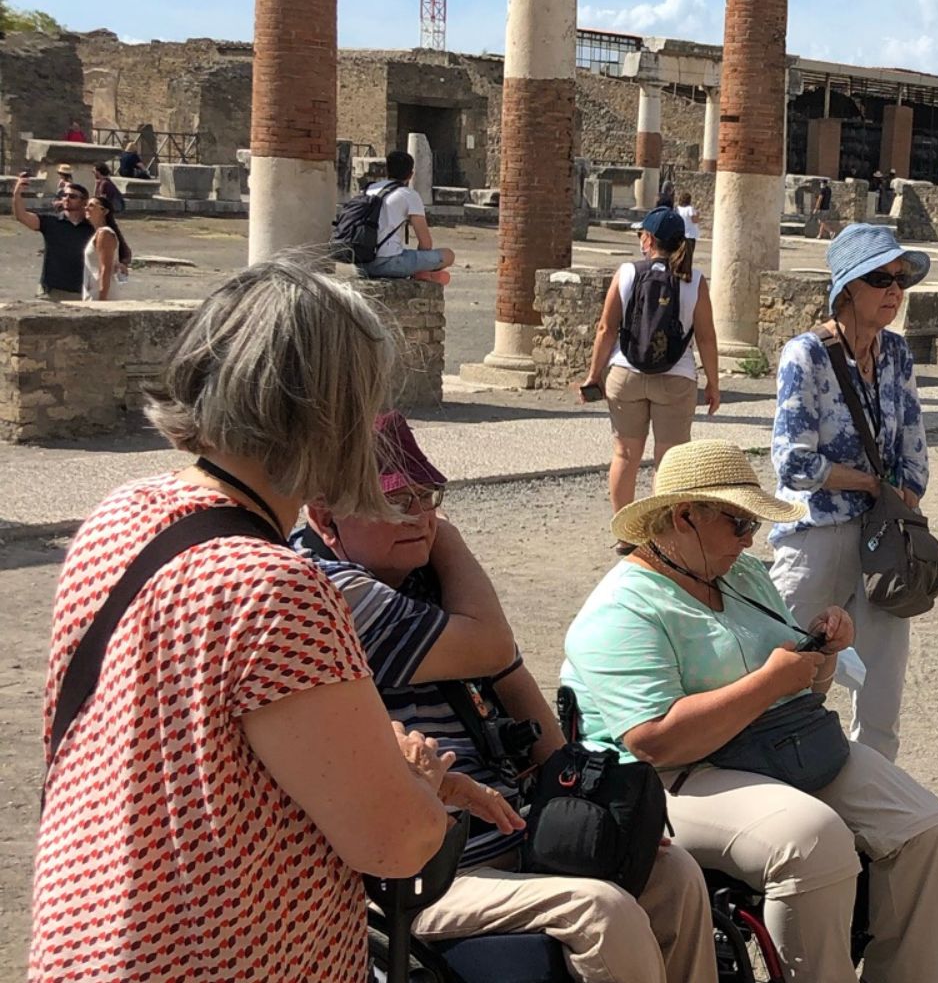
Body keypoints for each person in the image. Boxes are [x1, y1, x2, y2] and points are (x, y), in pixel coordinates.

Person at [31, 260, 458, 981]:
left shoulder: (119, 514)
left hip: (97, 943)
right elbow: (393, 843)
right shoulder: (277, 587)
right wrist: (420, 784)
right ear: (330, 413)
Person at [296, 413, 716, 983]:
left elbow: (511, 676)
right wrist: (450, 539)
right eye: (395, 501)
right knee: (602, 910)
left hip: (507, 830)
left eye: (428, 497)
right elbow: (492, 645)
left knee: (675, 875)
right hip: (424, 872)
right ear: (325, 519)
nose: (419, 516)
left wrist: (582, 800)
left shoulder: (417, 577)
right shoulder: (332, 591)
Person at [560, 440, 938, 982]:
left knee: (922, 824)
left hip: (773, 745)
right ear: (684, 517)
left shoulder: (738, 573)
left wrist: (821, 652)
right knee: (812, 840)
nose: (750, 538)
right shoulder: (621, 608)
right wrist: (768, 684)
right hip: (667, 778)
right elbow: (653, 741)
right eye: (739, 522)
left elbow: (803, 693)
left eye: (752, 524)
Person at [770, 224, 931, 761]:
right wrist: (867, 483)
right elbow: (793, 462)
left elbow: (914, 447)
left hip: (883, 535)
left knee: (883, 686)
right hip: (817, 530)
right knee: (786, 665)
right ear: (846, 288)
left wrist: (903, 497)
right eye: (881, 278)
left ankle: (875, 792)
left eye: (900, 279)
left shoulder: (897, 354)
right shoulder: (805, 355)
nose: (895, 290)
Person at [579, 206, 720, 513]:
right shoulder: (694, 280)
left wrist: (593, 375)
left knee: (625, 455)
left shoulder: (628, 272)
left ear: (650, 240)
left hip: (625, 373)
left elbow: (606, 329)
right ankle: (661, 530)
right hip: (677, 376)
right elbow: (706, 337)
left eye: (641, 234)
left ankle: (624, 530)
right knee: (668, 461)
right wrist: (713, 382)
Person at [362, 149, 455, 283]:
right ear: (411, 175)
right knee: (448, 255)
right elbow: (425, 243)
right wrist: (422, 265)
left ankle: (422, 273)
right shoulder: (408, 195)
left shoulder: (368, 189)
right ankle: (423, 274)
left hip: (360, 263)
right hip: (388, 264)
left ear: (387, 171)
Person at [11, 172, 92, 300]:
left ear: (84, 202)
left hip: (81, 291)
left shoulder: (92, 227)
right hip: (51, 290)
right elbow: (22, 216)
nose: (66, 198)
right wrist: (17, 194)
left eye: (72, 196)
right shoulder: (51, 222)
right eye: (64, 195)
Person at [80, 195, 126, 301]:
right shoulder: (98, 233)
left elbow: (105, 268)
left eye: (91, 205)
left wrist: (102, 298)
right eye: (86, 205)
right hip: (93, 291)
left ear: (104, 211)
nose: (86, 208)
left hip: (100, 294)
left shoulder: (104, 233)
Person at [672, 189, 700, 256]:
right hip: (690, 235)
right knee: (689, 255)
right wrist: (698, 215)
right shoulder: (690, 209)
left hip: (681, 234)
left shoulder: (677, 209)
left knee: (680, 254)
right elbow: (694, 220)